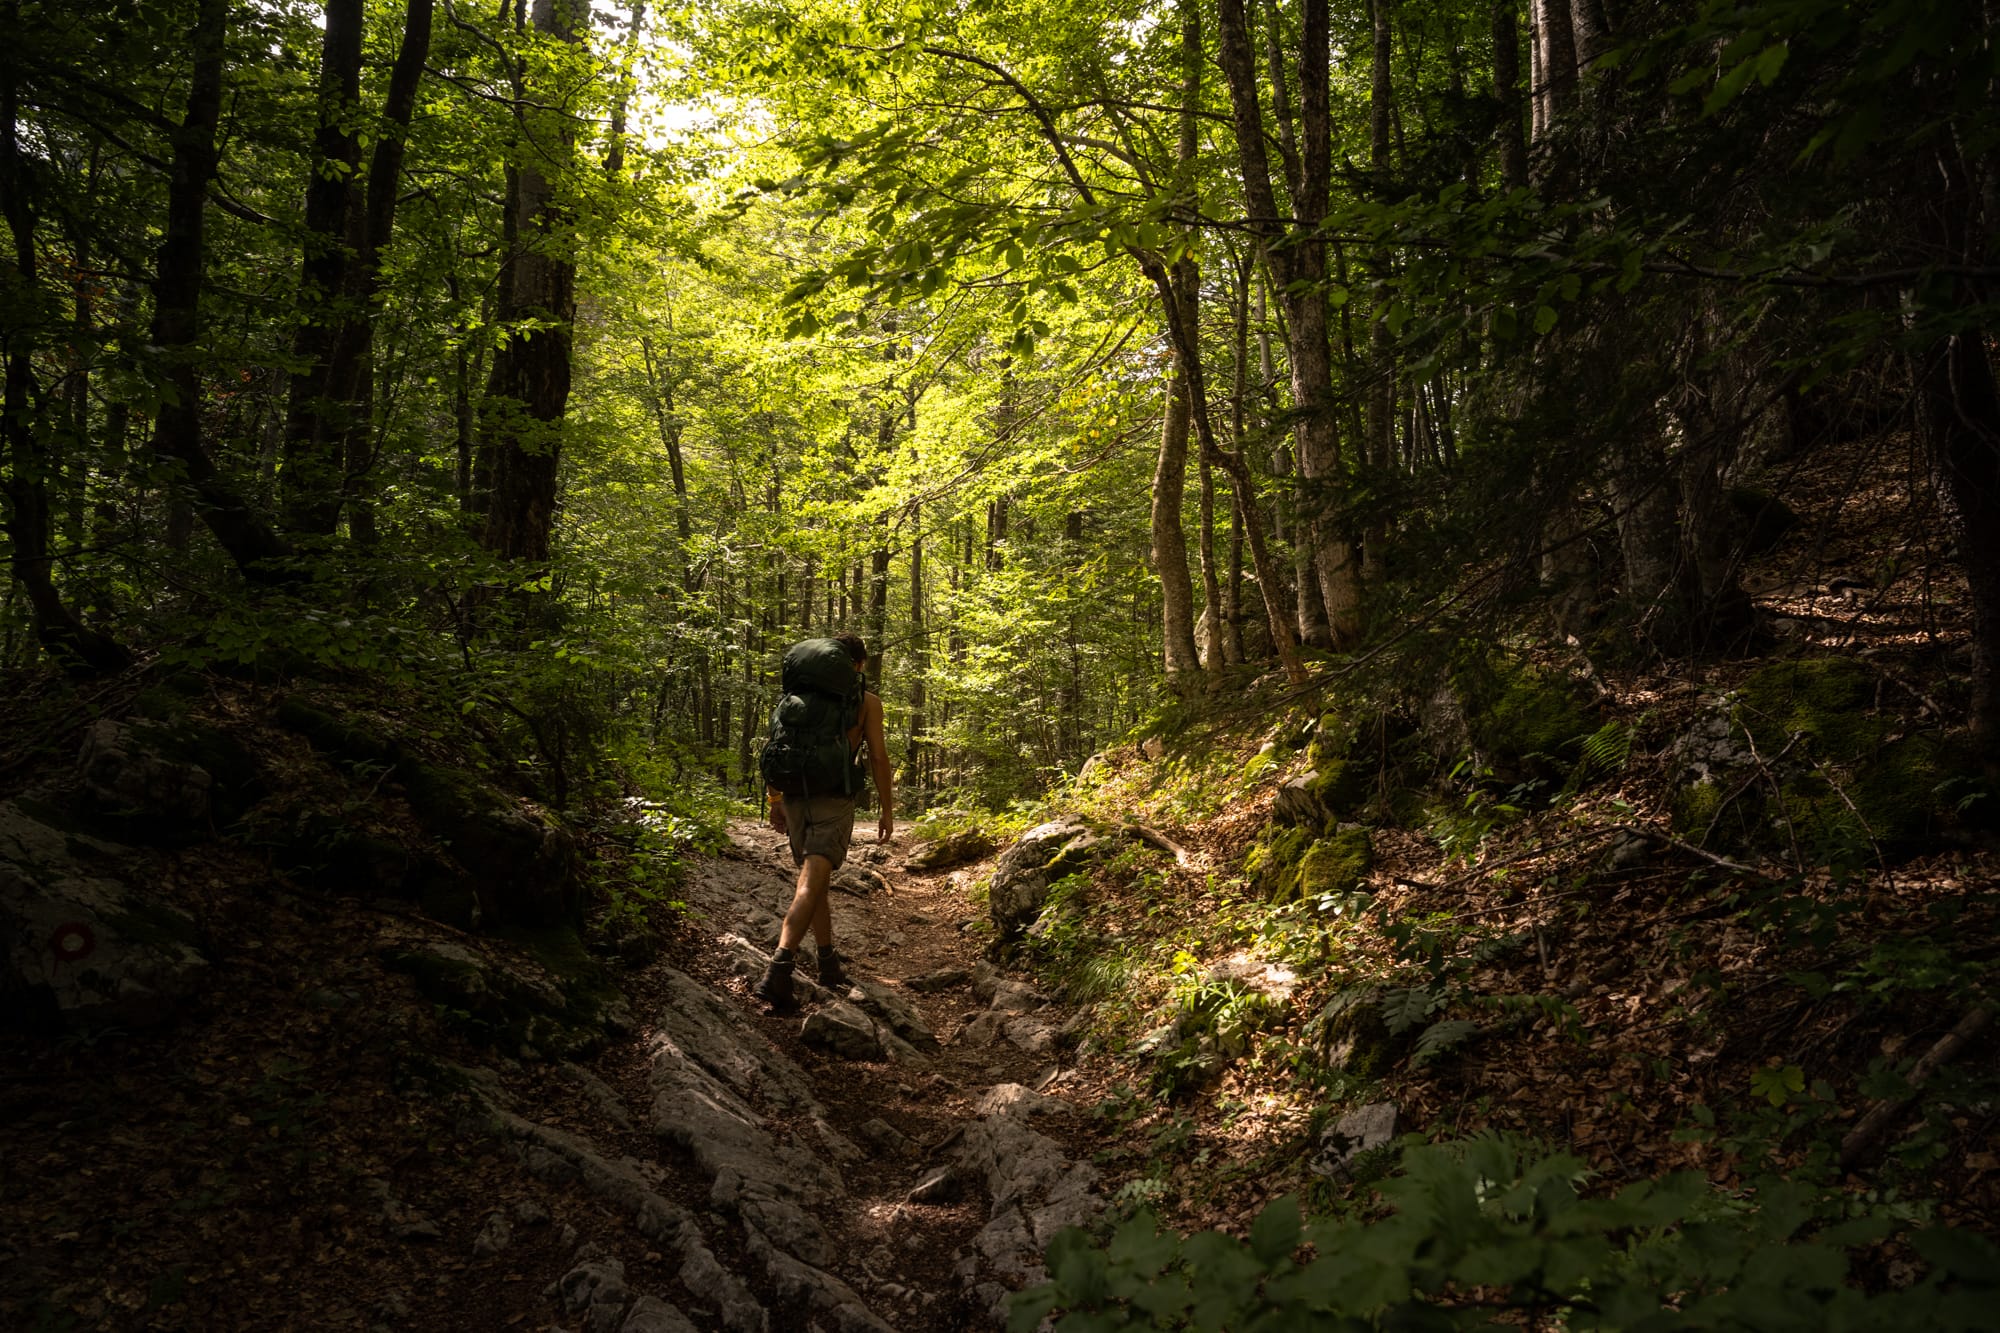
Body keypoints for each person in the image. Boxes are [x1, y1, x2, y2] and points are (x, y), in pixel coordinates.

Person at [753, 632, 893, 1010]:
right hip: (833, 798)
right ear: (857, 666)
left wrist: (775, 799)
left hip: (794, 794)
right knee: (809, 884)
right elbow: (878, 758)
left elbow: (776, 745)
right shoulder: (866, 702)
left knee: (813, 882)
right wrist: (886, 808)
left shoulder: (793, 700)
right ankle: (779, 967)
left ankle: (828, 962)